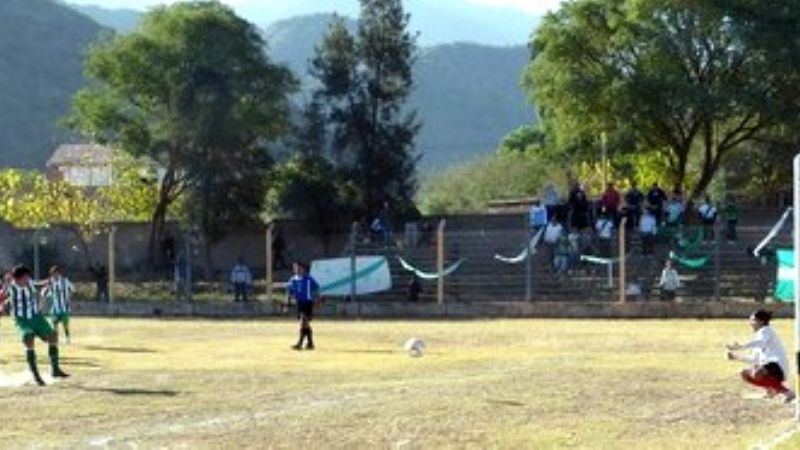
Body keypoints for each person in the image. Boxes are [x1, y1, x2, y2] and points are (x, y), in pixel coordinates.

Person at [0, 265, 69, 386]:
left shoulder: (30, 283)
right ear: (17, 279)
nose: (27, 280)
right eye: (25, 278)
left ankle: (55, 369)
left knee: (53, 336)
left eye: (28, 277)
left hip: (37, 317)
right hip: (22, 320)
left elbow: (37, 284)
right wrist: (6, 283)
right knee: (28, 338)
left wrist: (48, 281)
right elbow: (1, 296)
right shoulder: (11, 287)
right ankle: (35, 375)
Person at [726, 309, 795, 403]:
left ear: (761, 322)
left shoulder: (765, 330)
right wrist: (736, 357)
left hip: (778, 366)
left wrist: (741, 346)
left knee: (757, 372)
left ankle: (787, 392)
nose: (750, 323)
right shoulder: (758, 336)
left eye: (753, 320)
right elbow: (755, 359)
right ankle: (771, 390)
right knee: (745, 374)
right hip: (769, 369)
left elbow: (760, 343)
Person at [287, 262, 320, 350]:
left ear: (302, 269)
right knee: (305, 324)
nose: (296, 270)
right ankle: (310, 343)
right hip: (299, 303)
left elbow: (316, 287)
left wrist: (316, 298)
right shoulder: (293, 280)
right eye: (294, 268)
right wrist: (289, 302)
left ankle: (300, 343)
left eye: (297, 268)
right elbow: (289, 291)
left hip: (307, 302)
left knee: (303, 322)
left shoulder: (308, 279)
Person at [43, 266, 75, 345]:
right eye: (52, 274)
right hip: (54, 308)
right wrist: (47, 295)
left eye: (55, 273)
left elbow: (73, 290)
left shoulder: (65, 281)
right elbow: (44, 293)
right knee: (54, 324)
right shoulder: (50, 282)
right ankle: (55, 339)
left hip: (64, 308)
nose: (54, 275)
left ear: (58, 273)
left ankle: (67, 338)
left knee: (65, 325)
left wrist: (68, 297)